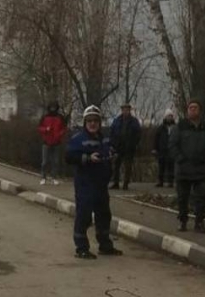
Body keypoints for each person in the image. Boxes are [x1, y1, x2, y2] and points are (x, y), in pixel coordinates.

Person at [65, 105, 123, 259]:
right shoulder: (78, 139)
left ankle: (105, 245)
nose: (92, 124)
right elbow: (69, 157)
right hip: (85, 184)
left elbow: (112, 150)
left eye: (95, 121)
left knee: (104, 215)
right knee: (84, 215)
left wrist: (112, 155)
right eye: (89, 120)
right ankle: (81, 247)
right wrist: (87, 158)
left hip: (101, 184)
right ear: (85, 122)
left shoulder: (105, 139)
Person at [169, 99, 205, 234]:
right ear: (187, 111)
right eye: (190, 108)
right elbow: (172, 145)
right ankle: (183, 221)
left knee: (201, 197)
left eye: (195, 108)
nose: (193, 110)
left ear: (200, 111)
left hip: (200, 169)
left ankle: (199, 222)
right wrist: (180, 158)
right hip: (183, 169)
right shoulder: (180, 126)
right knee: (183, 198)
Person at [109, 103, 142, 190]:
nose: (125, 111)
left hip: (129, 147)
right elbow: (112, 132)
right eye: (124, 109)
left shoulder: (134, 121)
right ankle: (116, 183)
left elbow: (138, 134)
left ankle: (125, 183)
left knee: (128, 166)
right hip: (118, 146)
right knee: (116, 165)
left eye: (127, 109)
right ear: (122, 110)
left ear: (129, 110)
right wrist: (112, 144)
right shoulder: (117, 120)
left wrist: (135, 144)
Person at [38, 101, 68, 185]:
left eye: (54, 107)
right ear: (49, 108)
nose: (53, 109)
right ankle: (43, 177)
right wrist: (45, 129)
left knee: (55, 161)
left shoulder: (60, 117)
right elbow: (39, 127)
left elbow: (64, 128)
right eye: (51, 107)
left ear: (57, 108)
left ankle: (54, 177)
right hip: (46, 142)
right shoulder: (45, 117)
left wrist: (60, 134)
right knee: (44, 162)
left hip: (57, 142)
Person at [153, 110, 175, 187]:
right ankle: (160, 181)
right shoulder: (160, 128)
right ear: (165, 117)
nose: (169, 118)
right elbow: (156, 138)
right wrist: (155, 148)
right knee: (161, 166)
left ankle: (170, 182)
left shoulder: (175, 128)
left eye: (171, 116)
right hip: (162, 150)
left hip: (172, 150)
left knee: (171, 166)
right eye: (168, 116)